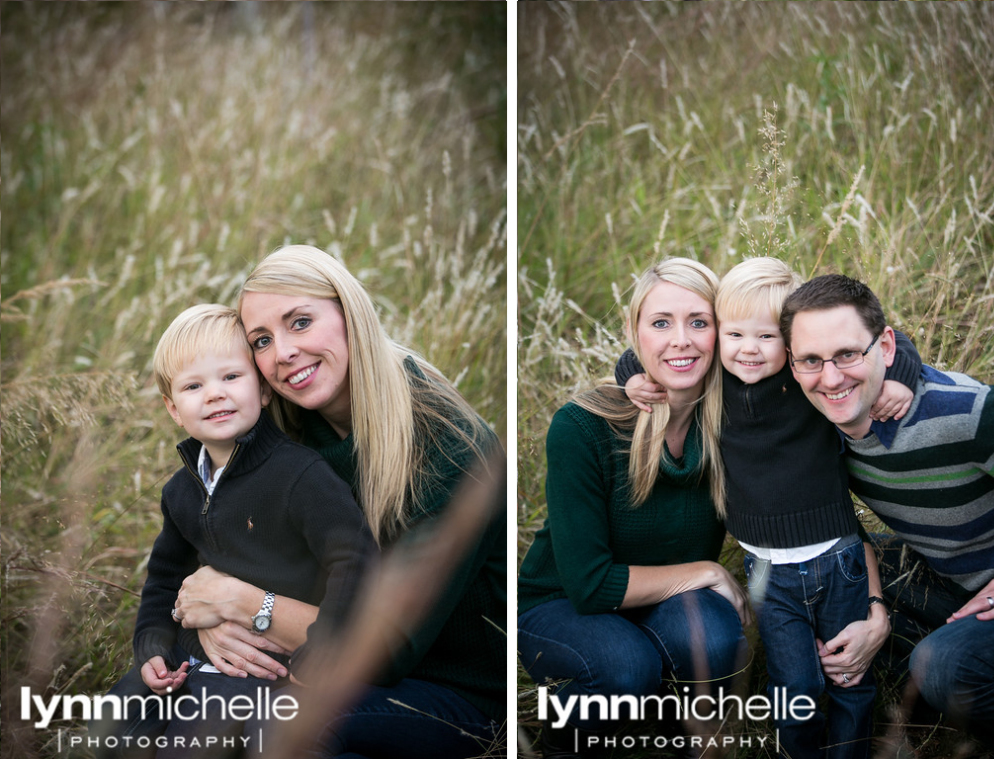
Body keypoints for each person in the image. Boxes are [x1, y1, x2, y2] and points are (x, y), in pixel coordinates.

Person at [171, 246, 506, 759]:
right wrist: (213, 624)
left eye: (300, 322)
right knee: (178, 712)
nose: (282, 352)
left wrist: (244, 605)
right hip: (316, 663)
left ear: (350, 314)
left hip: (451, 692)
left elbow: (388, 646)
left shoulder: (447, 444)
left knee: (278, 725)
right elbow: (217, 546)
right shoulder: (286, 429)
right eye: (262, 340)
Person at [615, 258, 922, 759]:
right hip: (768, 576)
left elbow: (894, 341)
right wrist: (631, 380)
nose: (750, 351)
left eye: (767, 337)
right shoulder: (717, 383)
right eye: (735, 334)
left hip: (838, 561)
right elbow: (643, 357)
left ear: (792, 343)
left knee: (848, 677)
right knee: (794, 690)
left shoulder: (807, 383)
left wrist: (898, 379)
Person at [92, 304, 375, 759]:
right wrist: (152, 648)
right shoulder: (181, 490)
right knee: (112, 729)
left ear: (263, 390)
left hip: (269, 666)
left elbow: (354, 559)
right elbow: (165, 578)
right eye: (193, 386)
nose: (214, 395)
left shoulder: (299, 475)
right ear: (173, 409)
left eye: (230, 378)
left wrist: (321, 651)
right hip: (192, 655)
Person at [779, 273, 994, 759]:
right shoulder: (821, 433)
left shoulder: (971, 416)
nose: (830, 378)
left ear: (886, 346)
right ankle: (939, 702)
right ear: (791, 363)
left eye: (849, 354)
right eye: (811, 360)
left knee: (941, 666)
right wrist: (874, 615)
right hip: (957, 582)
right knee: (819, 584)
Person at [517, 257, 750, 759]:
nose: (680, 340)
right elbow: (591, 585)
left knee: (713, 643)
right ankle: (565, 746)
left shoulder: (737, 420)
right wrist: (707, 570)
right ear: (635, 333)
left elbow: (809, 339)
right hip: (562, 602)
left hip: (665, 599)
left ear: (721, 333)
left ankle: (674, 740)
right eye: (661, 323)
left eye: (699, 322)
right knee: (625, 667)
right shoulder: (582, 426)